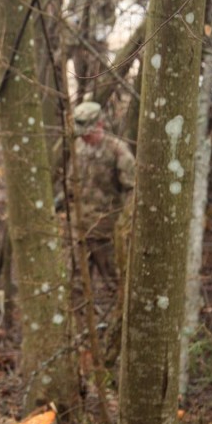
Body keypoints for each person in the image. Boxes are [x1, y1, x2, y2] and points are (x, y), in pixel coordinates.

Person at [71, 100, 135, 286]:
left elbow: (132, 189)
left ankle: (118, 314)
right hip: (79, 226)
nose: (83, 137)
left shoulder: (118, 151)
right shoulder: (78, 147)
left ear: (100, 125)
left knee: (114, 279)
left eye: (87, 133)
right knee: (76, 280)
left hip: (106, 230)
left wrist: (125, 222)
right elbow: (71, 182)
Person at [64, 0, 116, 97]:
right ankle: (81, 99)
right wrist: (74, 20)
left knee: (97, 73)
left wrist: (106, 29)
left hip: (97, 41)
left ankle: (96, 99)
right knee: (79, 72)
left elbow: (111, 13)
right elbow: (69, 10)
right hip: (79, 39)